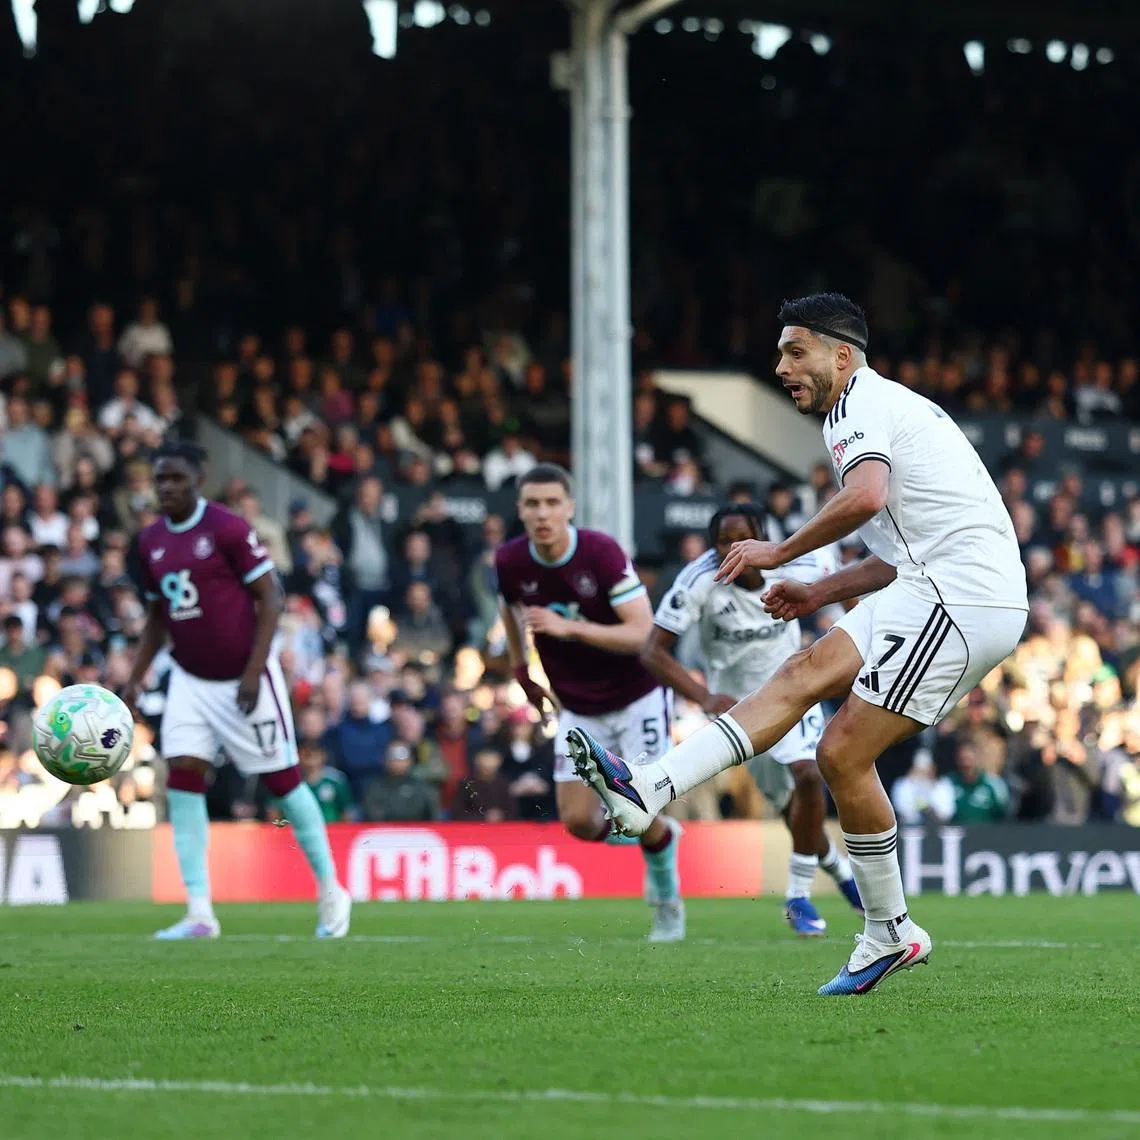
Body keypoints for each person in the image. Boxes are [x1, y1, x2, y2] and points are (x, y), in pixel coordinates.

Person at [567, 293, 1028, 994]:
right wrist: (816, 592)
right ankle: (648, 788)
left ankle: (889, 930)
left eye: (794, 350)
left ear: (841, 355)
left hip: (964, 595)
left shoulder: (857, 410)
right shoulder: (879, 406)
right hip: (934, 581)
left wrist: (780, 552)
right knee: (805, 685)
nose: (781, 365)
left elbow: (868, 498)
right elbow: (897, 548)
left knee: (842, 749)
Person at [122, 440, 351, 940]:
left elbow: (271, 596)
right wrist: (136, 677)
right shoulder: (150, 542)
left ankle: (331, 888)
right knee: (182, 774)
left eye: (176, 478)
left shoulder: (226, 528)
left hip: (245, 678)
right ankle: (199, 911)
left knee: (283, 782)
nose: (167, 488)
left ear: (198, 481)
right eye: (160, 479)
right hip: (188, 678)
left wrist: (252, 673)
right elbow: (157, 617)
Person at [642, 503, 863, 936]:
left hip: (794, 687)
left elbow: (851, 598)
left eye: (740, 538)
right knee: (791, 811)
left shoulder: (806, 559)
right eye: (722, 541)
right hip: (741, 712)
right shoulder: (699, 580)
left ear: (762, 537)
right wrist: (705, 695)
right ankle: (841, 874)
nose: (731, 548)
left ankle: (798, 896)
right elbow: (653, 649)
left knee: (807, 773)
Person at [496, 464, 684, 942]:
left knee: (642, 816)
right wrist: (522, 672)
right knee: (579, 822)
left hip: (637, 696)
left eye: (552, 503)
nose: (542, 514)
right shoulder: (511, 561)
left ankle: (666, 899)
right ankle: (656, 834)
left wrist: (569, 628)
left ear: (569, 507)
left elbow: (643, 633)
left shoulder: (601, 553)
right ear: (520, 510)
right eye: (532, 504)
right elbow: (510, 607)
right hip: (577, 706)